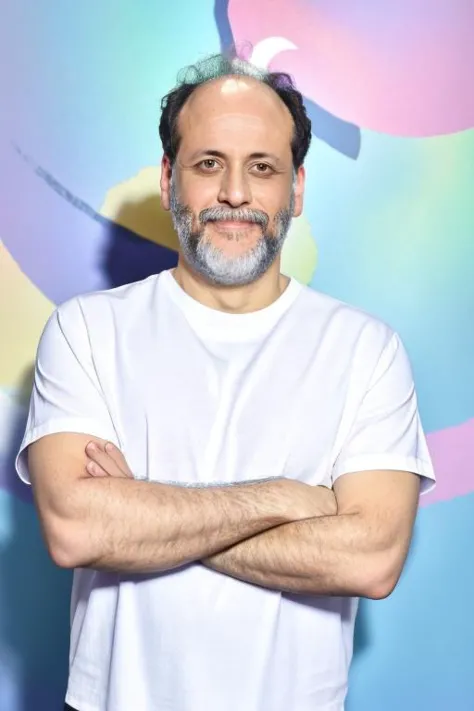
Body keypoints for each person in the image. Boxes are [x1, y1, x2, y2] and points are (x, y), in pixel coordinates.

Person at [16, 54, 435, 711]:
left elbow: (371, 558)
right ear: (168, 179)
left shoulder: (365, 350)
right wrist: (288, 496)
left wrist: (141, 514)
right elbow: (76, 529)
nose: (236, 193)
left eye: (262, 167)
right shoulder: (86, 331)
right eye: (209, 163)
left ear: (296, 188)